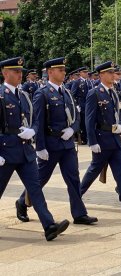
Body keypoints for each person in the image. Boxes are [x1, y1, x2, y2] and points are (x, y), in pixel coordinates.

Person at [16, 57, 97, 225]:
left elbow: (76, 116)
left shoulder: (66, 92)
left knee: (73, 178)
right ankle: (22, 202)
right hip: (51, 143)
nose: (64, 72)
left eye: (64, 69)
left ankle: (79, 213)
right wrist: (40, 147)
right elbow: (38, 121)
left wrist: (72, 129)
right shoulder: (42, 93)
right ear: (50, 72)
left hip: (66, 144)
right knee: (40, 179)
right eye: (60, 70)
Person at [0, 57, 69, 241]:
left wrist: (33, 131)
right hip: (6, 151)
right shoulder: (1, 95)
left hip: (25, 152)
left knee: (35, 189)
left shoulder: (23, 95)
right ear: (5, 73)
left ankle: (49, 226)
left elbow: (36, 120)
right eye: (15, 71)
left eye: (20, 71)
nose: (19, 75)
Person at [80, 61, 121, 213]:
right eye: (109, 72)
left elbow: (120, 112)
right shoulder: (94, 93)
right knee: (93, 171)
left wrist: (120, 123)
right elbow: (89, 119)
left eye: (113, 72)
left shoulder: (114, 91)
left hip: (115, 138)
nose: (113, 75)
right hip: (102, 138)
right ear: (101, 75)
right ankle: (76, 195)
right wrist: (92, 141)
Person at [71, 66, 90, 144]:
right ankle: (83, 138)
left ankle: (88, 137)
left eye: (87, 72)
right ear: (80, 73)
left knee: (88, 121)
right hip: (81, 105)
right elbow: (73, 94)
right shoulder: (77, 82)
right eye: (84, 72)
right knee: (83, 123)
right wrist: (77, 105)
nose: (86, 74)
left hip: (89, 105)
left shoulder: (89, 82)